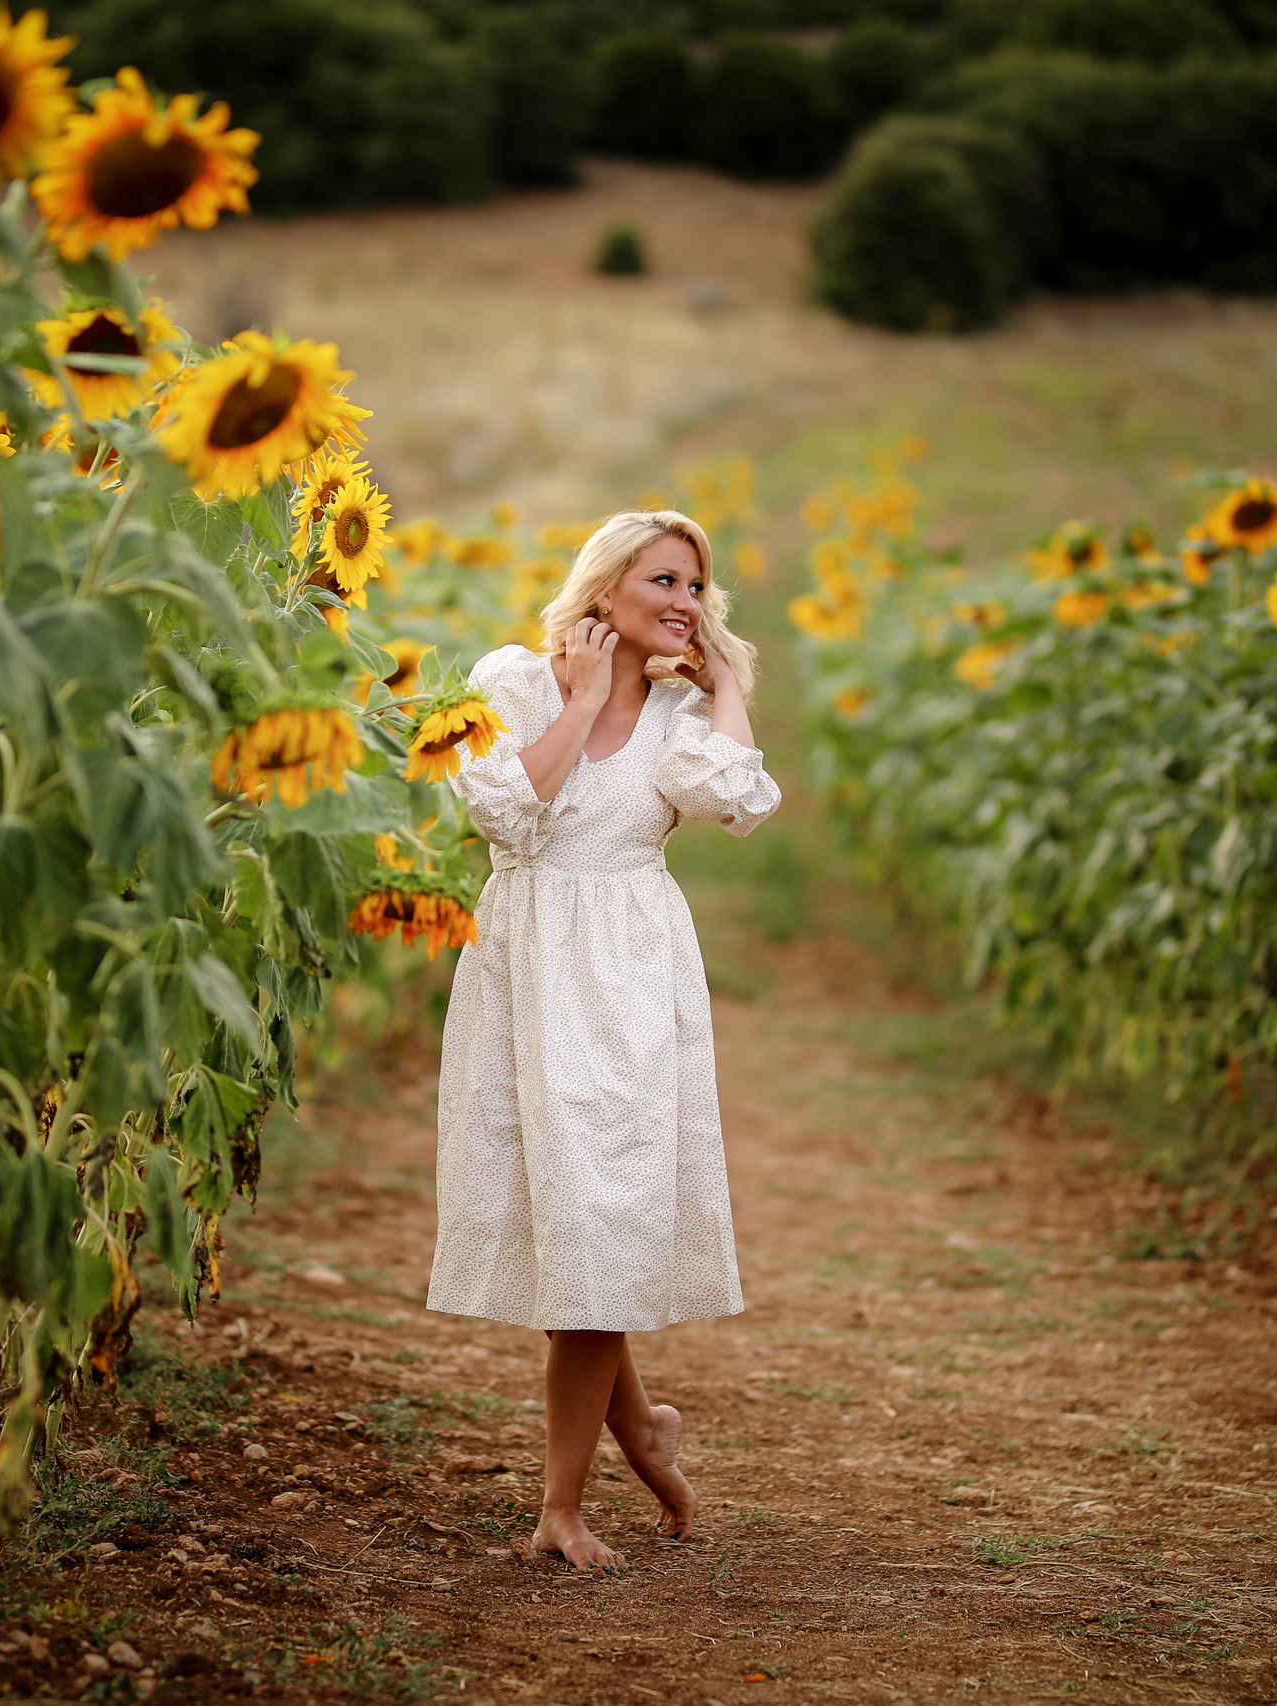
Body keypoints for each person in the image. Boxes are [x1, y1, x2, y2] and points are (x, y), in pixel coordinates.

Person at [426, 507, 780, 1571]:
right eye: (664, 579)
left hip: (627, 978)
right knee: (566, 1225)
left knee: (594, 1217)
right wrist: (581, 699)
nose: (684, 601)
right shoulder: (513, 680)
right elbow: (505, 812)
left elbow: (733, 798)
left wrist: (726, 682)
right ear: (606, 584)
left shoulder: (681, 715)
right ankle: (642, 1432)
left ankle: (560, 1507)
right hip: (526, 967)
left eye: (696, 587)